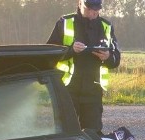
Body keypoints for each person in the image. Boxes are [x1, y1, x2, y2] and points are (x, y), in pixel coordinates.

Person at [47, 0, 120, 132]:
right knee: (66, 134)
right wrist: (70, 50)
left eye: (97, 9)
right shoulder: (64, 23)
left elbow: (116, 60)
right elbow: (48, 56)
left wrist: (107, 57)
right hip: (68, 91)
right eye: (89, 9)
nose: (93, 12)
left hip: (93, 92)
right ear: (80, 3)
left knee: (93, 136)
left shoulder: (106, 26)